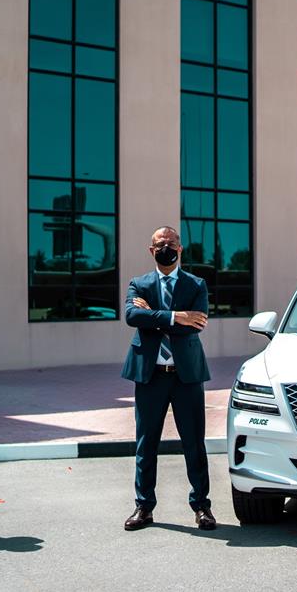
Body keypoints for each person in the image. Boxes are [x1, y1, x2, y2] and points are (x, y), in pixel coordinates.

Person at [121, 226, 216, 531]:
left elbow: (196, 323)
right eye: (160, 244)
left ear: (180, 248)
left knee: (194, 443)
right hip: (150, 376)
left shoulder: (196, 285)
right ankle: (144, 507)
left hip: (186, 376)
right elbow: (132, 317)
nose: (166, 247)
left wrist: (154, 317)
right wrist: (176, 316)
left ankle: (201, 506)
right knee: (146, 444)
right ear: (152, 251)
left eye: (171, 243)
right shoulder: (139, 284)